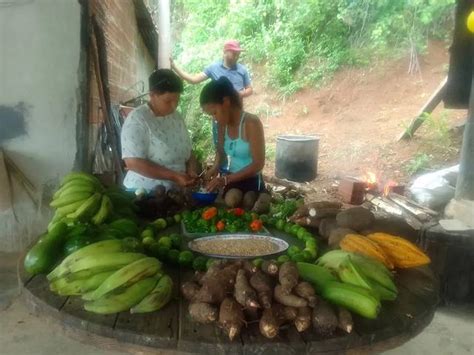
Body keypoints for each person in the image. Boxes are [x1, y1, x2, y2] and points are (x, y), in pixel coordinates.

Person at [121, 69, 198, 193]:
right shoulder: (138, 120)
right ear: (152, 95)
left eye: (177, 101)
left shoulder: (176, 117)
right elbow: (133, 162)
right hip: (144, 192)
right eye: (168, 101)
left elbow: (189, 152)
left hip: (176, 192)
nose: (174, 106)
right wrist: (174, 176)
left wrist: (192, 170)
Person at [171, 39, 253, 148]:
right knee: (220, 146)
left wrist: (240, 94)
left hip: (236, 115)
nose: (236, 56)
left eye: (238, 54)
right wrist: (174, 67)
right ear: (224, 52)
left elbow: (250, 89)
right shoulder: (213, 68)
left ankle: (237, 164)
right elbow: (194, 80)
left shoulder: (242, 70)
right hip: (219, 116)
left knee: (240, 145)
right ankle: (222, 164)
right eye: (234, 53)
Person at [200, 77, 265, 195]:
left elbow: (258, 164)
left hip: (253, 179)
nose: (214, 119)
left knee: (248, 199)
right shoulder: (221, 125)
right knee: (232, 199)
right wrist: (214, 169)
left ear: (226, 102)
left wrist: (226, 179)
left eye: (214, 113)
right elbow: (221, 153)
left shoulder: (251, 123)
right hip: (233, 178)